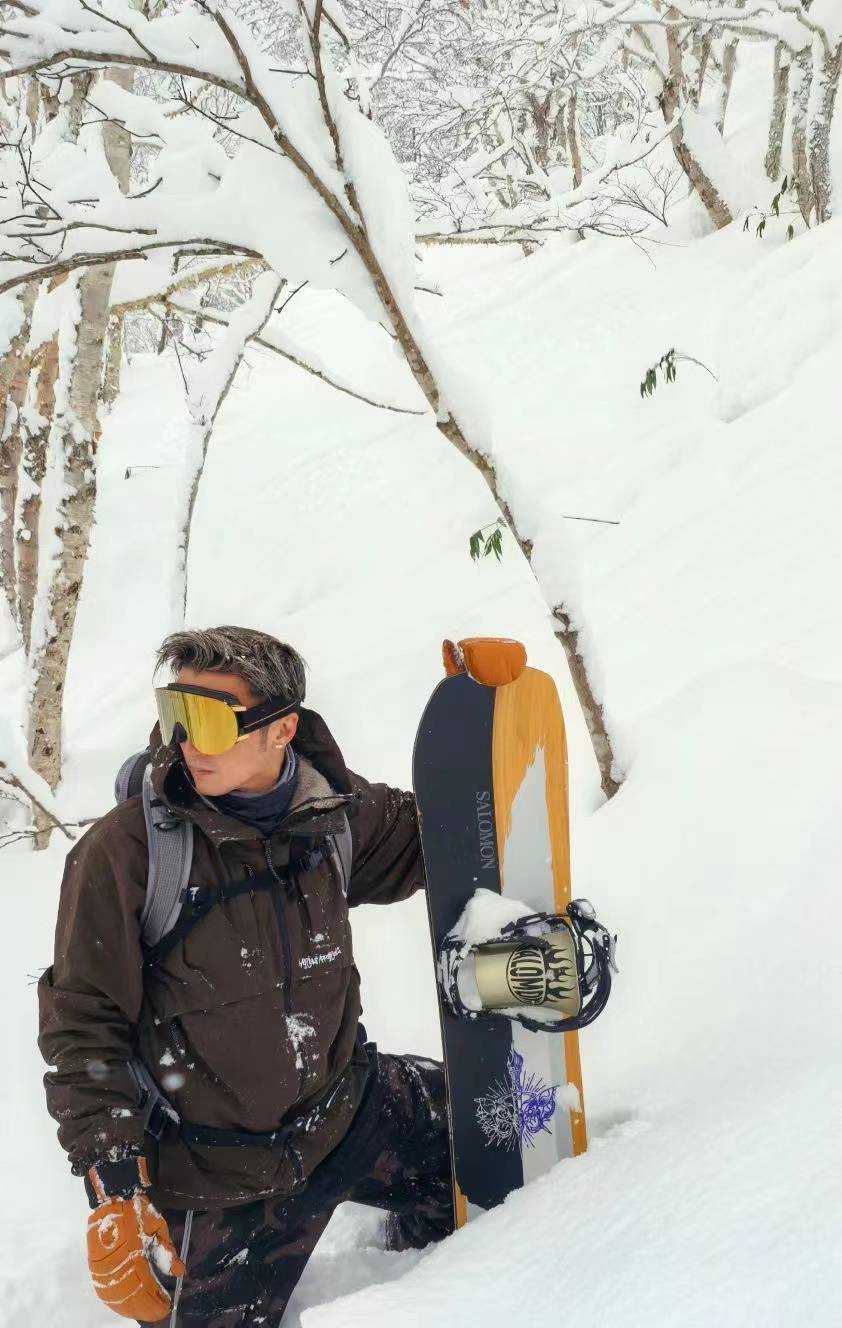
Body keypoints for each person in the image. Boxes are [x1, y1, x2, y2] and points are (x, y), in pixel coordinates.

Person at [38, 626, 453, 1327]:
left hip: (346, 1114)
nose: (185, 744)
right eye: (176, 716)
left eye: (208, 721)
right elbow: (83, 1027)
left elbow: (457, 837)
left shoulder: (336, 815)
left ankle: (418, 1283)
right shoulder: (127, 855)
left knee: (486, 1142)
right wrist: (113, 1187)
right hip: (219, 1182)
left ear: (281, 728)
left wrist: (484, 709)